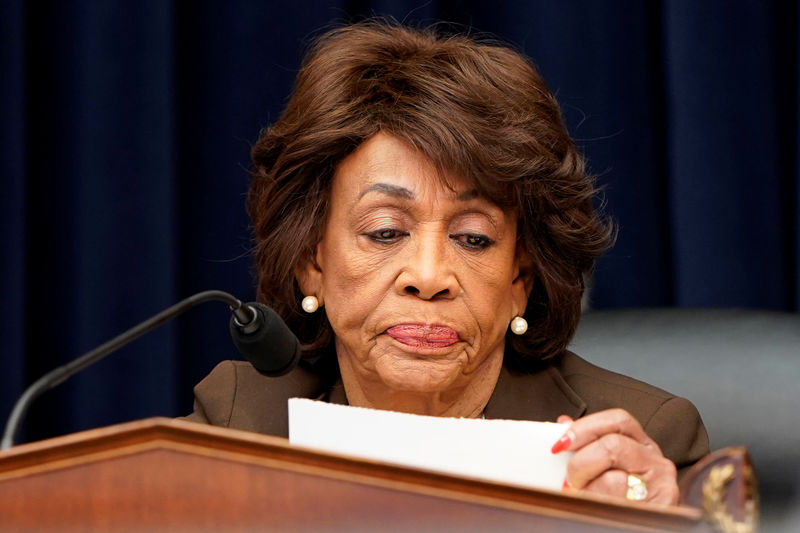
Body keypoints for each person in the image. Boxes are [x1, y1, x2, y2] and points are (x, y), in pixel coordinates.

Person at [184, 20, 708, 505]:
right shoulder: (243, 421)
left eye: (474, 239)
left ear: (520, 279)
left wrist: (662, 520)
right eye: (385, 232)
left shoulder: (643, 443)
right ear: (311, 263)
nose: (429, 277)